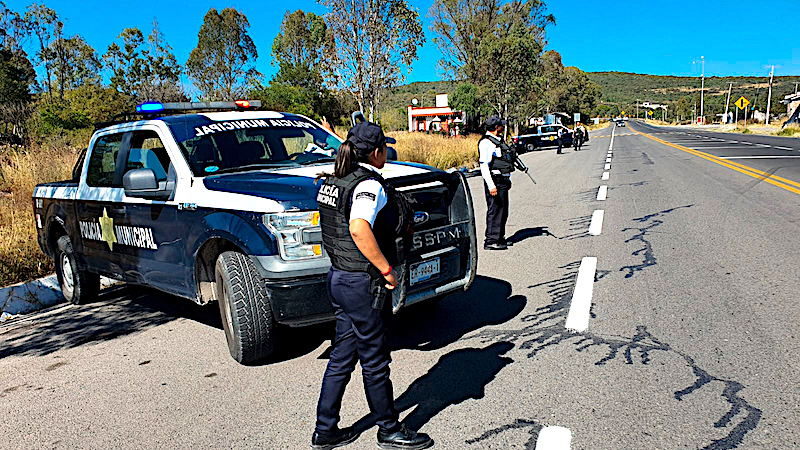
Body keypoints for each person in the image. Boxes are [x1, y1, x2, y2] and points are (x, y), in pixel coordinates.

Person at [313, 121, 433, 450]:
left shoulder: (335, 179)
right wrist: (387, 270)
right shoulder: (369, 185)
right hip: (363, 283)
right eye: (385, 148)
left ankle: (325, 430)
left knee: (342, 356)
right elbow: (358, 228)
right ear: (377, 152)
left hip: (339, 277)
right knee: (375, 360)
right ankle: (389, 429)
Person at [478, 116, 513, 251]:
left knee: (503, 211)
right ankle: (491, 240)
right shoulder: (486, 143)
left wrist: (507, 178)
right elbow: (484, 166)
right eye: (501, 125)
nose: (503, 127)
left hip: (502, 181)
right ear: (496, 127)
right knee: (495, 210)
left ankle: (499, 237)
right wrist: (491, 185)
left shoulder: (497, 141)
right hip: (495, 181)